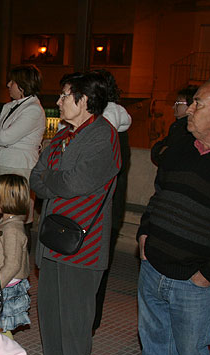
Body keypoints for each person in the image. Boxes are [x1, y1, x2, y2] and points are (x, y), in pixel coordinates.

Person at [122, 77, 210, 355]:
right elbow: (159, 196)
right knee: (154, 342)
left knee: (192, 351)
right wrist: (144, 235)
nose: (189, 109)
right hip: (154, 266)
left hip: (196, 279)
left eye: (199, 103)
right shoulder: (183, 144)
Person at [29, 72, 120, 355]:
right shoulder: (64, 136)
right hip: (54, 237)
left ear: (84, 100)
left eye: (64, 95)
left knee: (76, 313)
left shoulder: (103, 137)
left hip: (83, 242)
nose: (59, 101)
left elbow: (72, 182)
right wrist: (56, 177)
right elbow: (37, 178)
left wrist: (55, 177)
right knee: (49, 308)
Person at [0, 65, 46, 247]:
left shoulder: (33, 110)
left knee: (19, 219)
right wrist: (2, 139)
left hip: (20, 169)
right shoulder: (9, 106)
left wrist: (1, 137)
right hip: (4, 165)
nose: (8, 84)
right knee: (3, 216)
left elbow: (5, 136)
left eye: (12, 81)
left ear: (22, 85)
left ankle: (20, 262)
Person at [91, 69, 133, 335]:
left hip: (101, 210)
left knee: (95, 272)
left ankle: (87, 323)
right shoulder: (114, 126)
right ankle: (88, 321)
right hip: (108, 209)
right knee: (98, 272)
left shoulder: (105, 131)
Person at [0, 174, 31, 336]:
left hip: (5, 286)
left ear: (6, 199)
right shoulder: (5, 222)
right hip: (1, 283)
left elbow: (12, 264)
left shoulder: (12, 230)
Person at [150, 84, 198, 166]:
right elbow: (157, 149)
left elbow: (171, 155)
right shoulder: (176, 126)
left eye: (178, 103)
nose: (173, 107)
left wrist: (164, 151)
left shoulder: (191, 130)